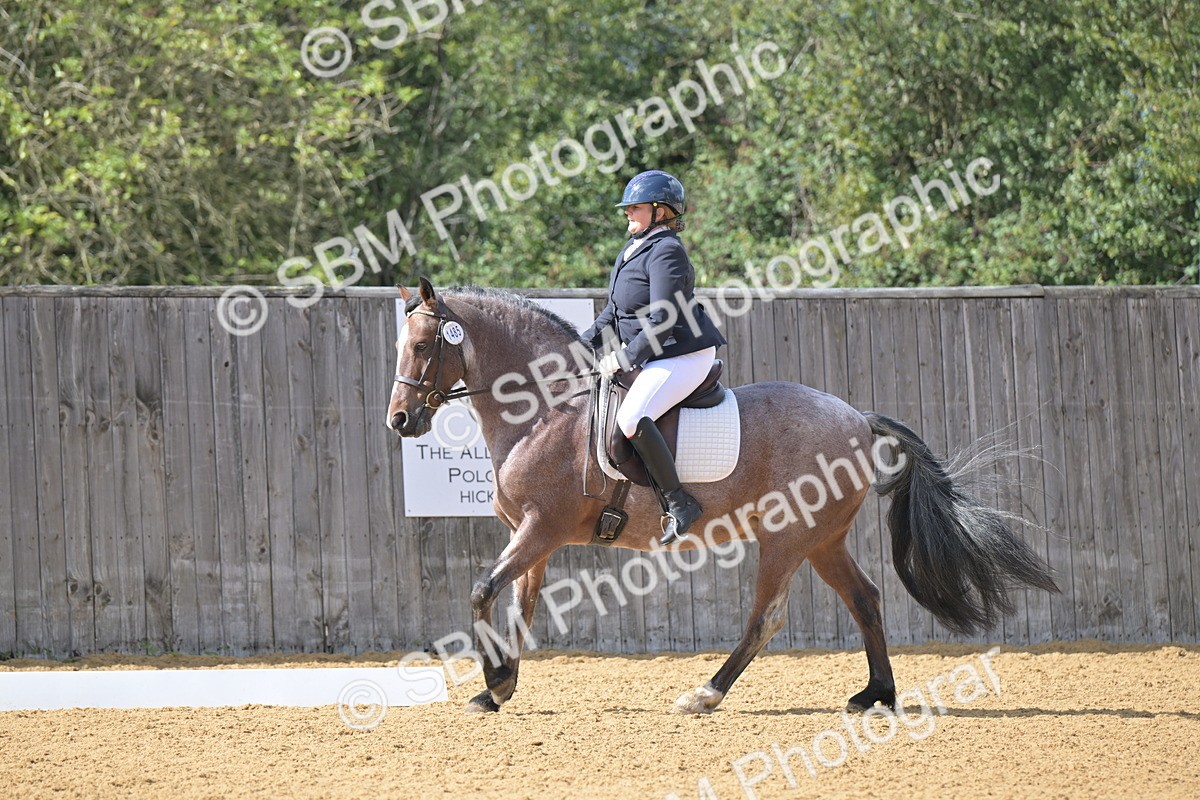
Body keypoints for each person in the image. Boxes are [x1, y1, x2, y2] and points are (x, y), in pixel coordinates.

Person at [581, 170, 727, 545]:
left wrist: (625, 357)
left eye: (635, 207)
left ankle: (680, 503)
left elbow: (664, 318)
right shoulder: (631, 250)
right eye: (627, 207)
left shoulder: (667, 251)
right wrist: (578, 347)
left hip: (683, 353)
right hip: (653, 354)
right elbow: (612, 314)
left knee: (631, 417)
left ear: (660, 212)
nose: (627, 212)